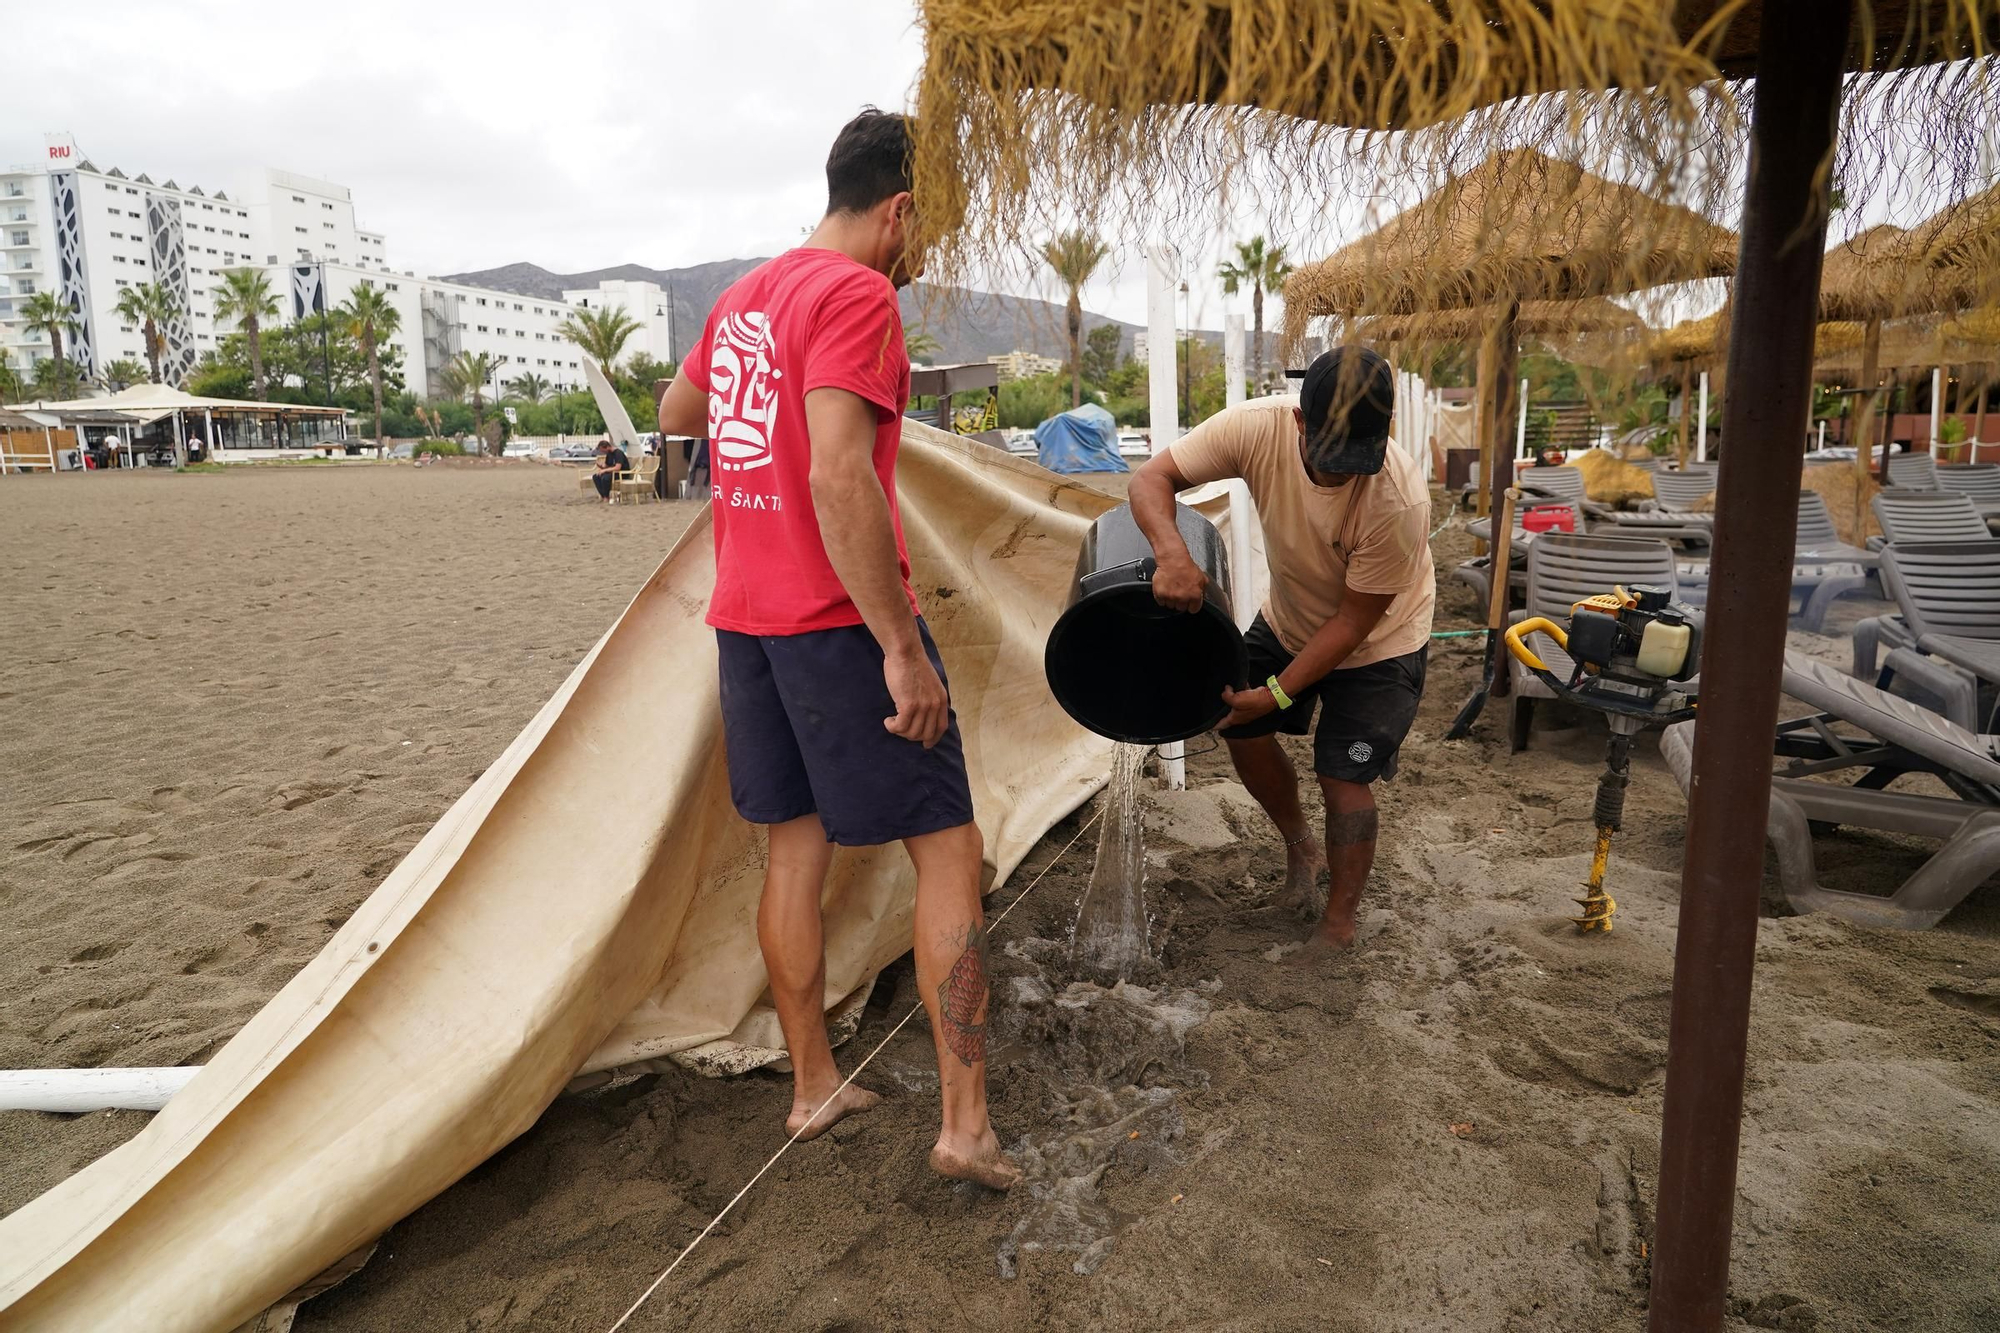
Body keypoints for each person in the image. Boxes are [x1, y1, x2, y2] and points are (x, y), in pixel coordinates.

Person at [655, 110, 1016, 1188]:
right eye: (926, 235)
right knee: (948, 852)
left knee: (793, 851)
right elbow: (836, 477)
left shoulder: (745, 297)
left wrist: (752, 399)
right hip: (834, 625)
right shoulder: (855, 294)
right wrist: (899, 650)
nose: (919, 263)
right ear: (897, 209)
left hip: (747, 626)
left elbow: (678, 409)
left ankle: (811, 1085)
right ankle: (965, 1128)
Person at [1128, 346, 1436, 953]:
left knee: (1342, 773)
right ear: (1300, 421)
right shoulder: (1254, 427)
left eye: (1357, 459)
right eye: (1330, 457)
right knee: (1236, 725)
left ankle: (1339, 925)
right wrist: (1171, 554)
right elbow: (1149, 478)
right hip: (1290, 615)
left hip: (1380, 639)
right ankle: (1302, 849)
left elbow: (1351, 623)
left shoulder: (1399, 500)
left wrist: (1274, 693)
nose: (1343, 473)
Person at [591, 438, 628, 503]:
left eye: (603, 450)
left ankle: (606, 496)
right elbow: (606, 465)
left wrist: (605, 471)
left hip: (621, 473)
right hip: (612, 472)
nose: (603, 452)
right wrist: (601, 466)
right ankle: (603, 495)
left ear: (607, 447)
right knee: (596, 477)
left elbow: (617, 467)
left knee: (605, 478)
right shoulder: (609, 454)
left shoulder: (618, 453)